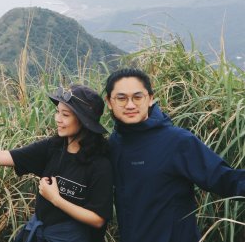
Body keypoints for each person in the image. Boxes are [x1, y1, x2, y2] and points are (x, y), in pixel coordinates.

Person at [0, 85, 113, 242]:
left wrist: (56, 199)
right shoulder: (53, 147)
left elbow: (97, 219)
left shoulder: (99, 164)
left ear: (84, 121)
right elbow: (2, 156)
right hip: (40, 234)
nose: (58, 119)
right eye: (57, 112)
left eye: (66, 115)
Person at [104, 68, 245, 242]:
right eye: (121, 98)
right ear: (109, 102)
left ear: (150, 98)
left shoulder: (177, 141)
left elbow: (225, 179)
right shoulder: (114, 143)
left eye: (138, 97)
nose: (130, 105)